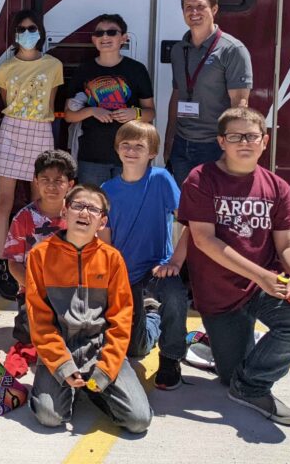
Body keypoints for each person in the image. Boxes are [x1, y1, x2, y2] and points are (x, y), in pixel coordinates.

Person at [179, 107, 290, 426]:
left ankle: (252, 386)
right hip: (220, 295)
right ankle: (226, 345)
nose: (244, 142)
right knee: (228, 375)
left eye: (251, 136)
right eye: (235, 136)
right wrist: (262, 275)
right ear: (221, 141)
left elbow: (287, 243)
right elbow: (203, 240)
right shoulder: (201, 179)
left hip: (263, 287)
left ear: (264, 141)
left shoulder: (277, 186)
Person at [26, 185, 152, 434]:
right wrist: (62, 365)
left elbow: (121, 318)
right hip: (60, 346)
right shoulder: (40, 255)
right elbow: (39, 319)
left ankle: (95, 390)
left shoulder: (112, 259)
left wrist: (106, 368)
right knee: (50, 417)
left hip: (100, 347)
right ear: (64, 211)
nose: (85, 213)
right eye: (78, 206)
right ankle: (69, 384)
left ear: (102, 221)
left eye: (93, 209)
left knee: (139, 421)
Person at [100, 121, 187, 391]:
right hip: (124, 273)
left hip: (158, 269)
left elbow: (189, 222)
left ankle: (171, 357)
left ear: (152, 153)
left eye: (140, 146)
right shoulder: (107, 188)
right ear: (117, 149)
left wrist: (175, 262)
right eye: (125, 144)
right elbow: (105, 242)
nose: (131, 150)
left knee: (174, 294)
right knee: (135, 350)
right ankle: (152, 315)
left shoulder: (161, 179)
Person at [0, 10, 64, 299]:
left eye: (32, 27)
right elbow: (8, 102)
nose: (26, 32)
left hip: (40, 130)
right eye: (21, 28)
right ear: (14, 34)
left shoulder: (54, 64)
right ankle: (3, 261)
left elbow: (50, 103)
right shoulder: (5, 67)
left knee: (41, 200)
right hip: (12, 130)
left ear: (41, 31)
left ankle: (37, 256)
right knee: (4, 201)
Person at [165, 0, 253, 185]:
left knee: (212, 210)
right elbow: (176, 95)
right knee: (183, 210)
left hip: (213, 146)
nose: (194, 12)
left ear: (214, 9)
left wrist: (229, 150)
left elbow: (239, 106)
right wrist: (169, 139)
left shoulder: (232, 50)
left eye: (200, 6)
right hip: (181, 144)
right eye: (188, 7)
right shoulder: (179, 50)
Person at [2, 150, 75, 377]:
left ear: (70, 185)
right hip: (33, 292)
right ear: (35, 181)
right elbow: (14, 263)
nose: (51, 186)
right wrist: (37, 292)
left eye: (58, 181)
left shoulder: (78, 217)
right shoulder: (23, 218)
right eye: (45, 180)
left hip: (71, 292)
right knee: (28, 331)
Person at [64, 13, 155, 186]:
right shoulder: (84, 70)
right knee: (93, 209)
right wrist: (91, 111)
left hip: (130, 155)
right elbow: (69, 115)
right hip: (91, 157)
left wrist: (134, 113)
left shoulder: (137, 70)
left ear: (123, 38)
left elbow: (150, 112)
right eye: (99, 33)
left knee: (127, 208)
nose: (105, 37)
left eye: (112, 32)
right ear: (93, 39)